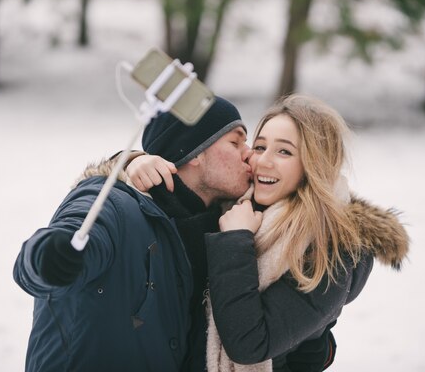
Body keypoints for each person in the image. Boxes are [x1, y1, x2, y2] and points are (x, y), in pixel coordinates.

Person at [127, 94, 410, 372]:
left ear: (314, 165)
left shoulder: (330, 253)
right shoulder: (233, 203)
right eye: (260, 147)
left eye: (284, 151)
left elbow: (248, 344)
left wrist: (235, 242)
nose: (262, 161)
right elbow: (177, 187)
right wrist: (132, 160)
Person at [12, 96, 252, 371]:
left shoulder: (228, 231)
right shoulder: (114, 204)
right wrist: (49, 256)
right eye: (236, 142)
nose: (249, 153)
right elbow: (71, 234)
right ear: (195, 152)